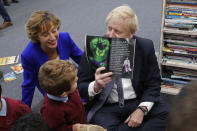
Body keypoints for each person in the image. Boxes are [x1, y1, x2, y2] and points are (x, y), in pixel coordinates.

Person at [78, 5, 169, 131]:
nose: (110, 35)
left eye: (117, 31)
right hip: (107, 106)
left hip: (137, 100)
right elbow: (80, 86)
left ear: (131, 34)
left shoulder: (145, 46)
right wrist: (95, 86)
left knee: (168, 116)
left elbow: (154, 83)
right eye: (109, 28)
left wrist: (142, 109)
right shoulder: (95, 46)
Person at [21, 10, 83, 107]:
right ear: (36, 36)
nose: (52, 37)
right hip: (54, 94)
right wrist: (23, 112)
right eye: (45, 34)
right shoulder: (28, 55)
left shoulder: (65, 38)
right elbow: (28, 86)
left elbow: (82, 59)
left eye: (54, 31)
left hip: (73, 82)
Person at [39, 60, 86, 131]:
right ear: (63, 94)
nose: (78, 79)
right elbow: (56, 128)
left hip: (80, 118)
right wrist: (72, 128)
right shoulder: (51, 111)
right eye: (75, 82)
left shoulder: (68, 90)